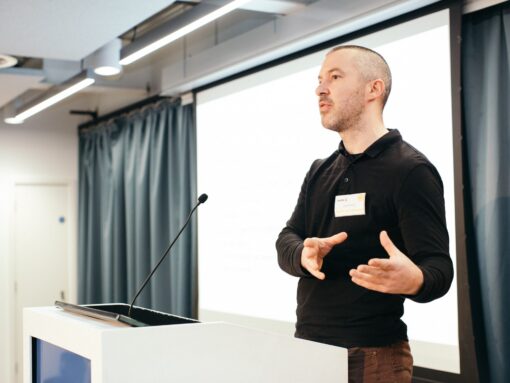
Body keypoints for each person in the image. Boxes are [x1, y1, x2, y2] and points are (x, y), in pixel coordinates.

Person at [275, 45, 454, 383]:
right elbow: (286, 239)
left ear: (374, 88)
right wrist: (303, 253)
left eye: (335, 77)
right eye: (319, 79)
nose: (320, 88)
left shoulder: (410, 170)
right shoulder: (319, 170)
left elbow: (439, 269)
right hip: (308, 349)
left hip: (372, 357)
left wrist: (415, 279)